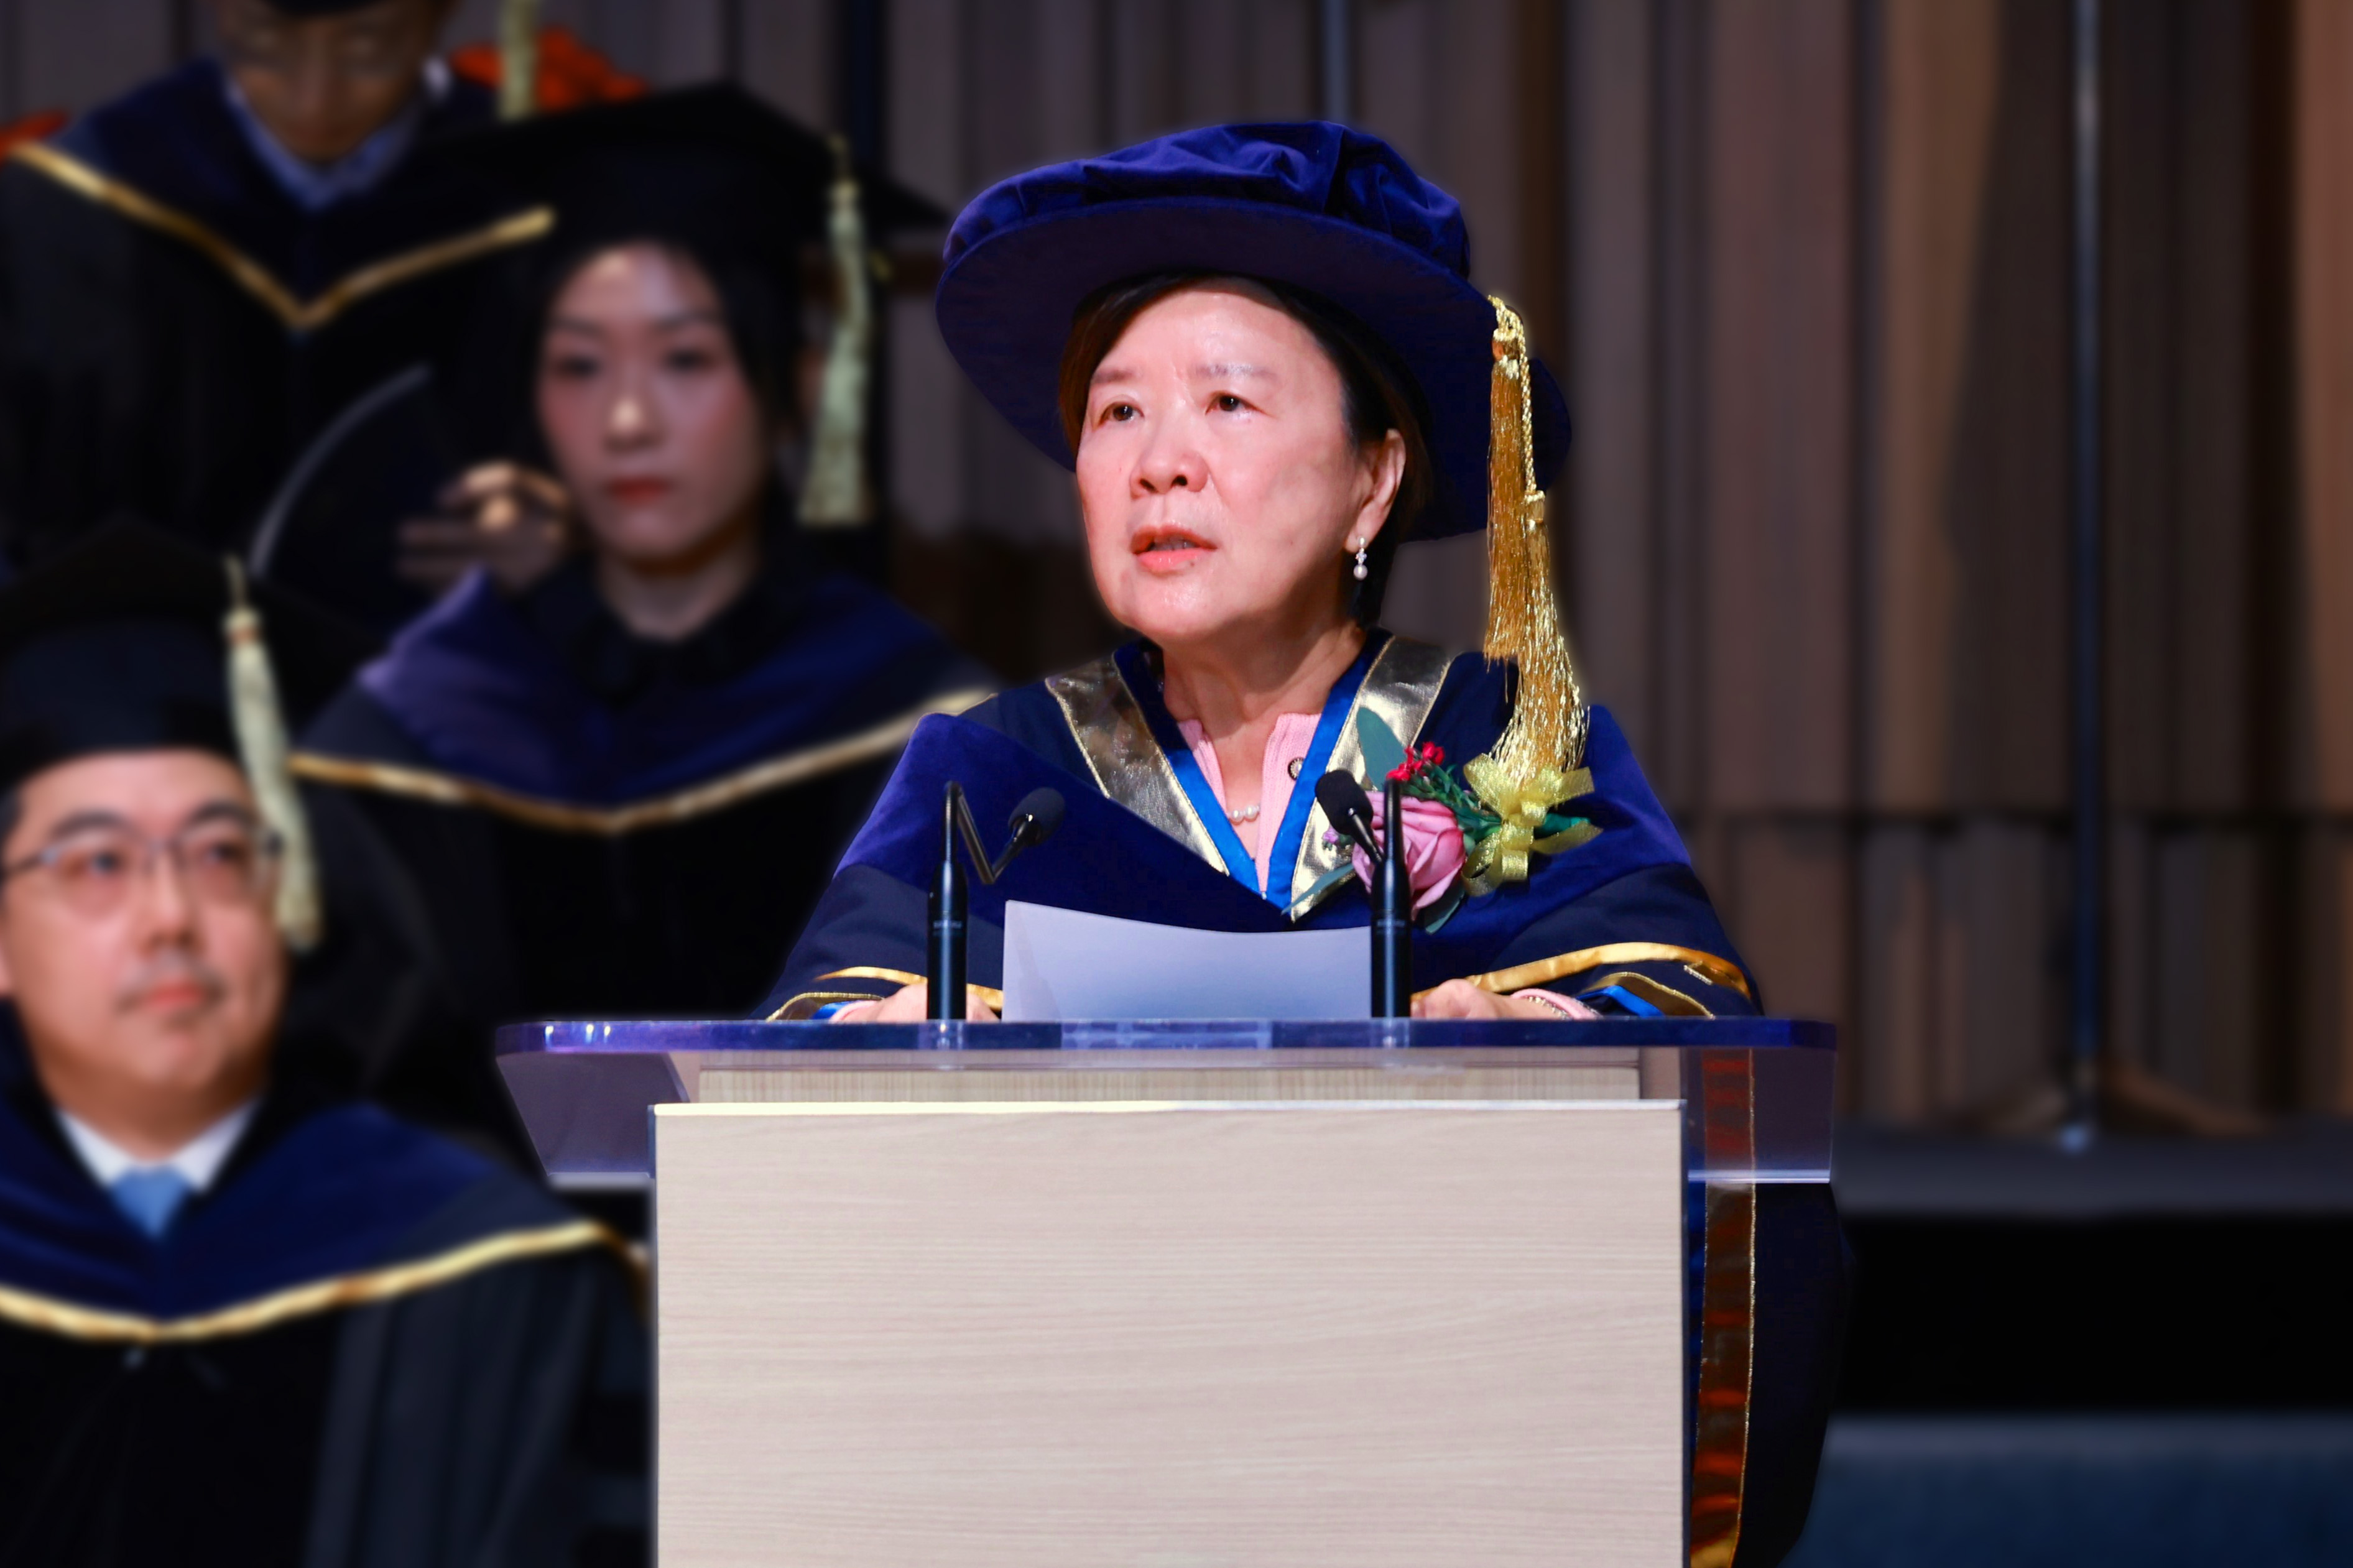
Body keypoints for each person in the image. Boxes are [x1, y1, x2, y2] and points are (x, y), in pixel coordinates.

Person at [759, 124, 1842, 1564]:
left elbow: (1687, 1015)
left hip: (1433, 1415)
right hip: (1071, 1427)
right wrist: (899, 1036)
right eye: (1117, 415)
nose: (1160, 466)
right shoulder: (991, 771)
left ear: (1371, 481)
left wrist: (1544, 1028)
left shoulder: (1496, 743)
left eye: (1225, 402)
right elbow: (803, 1038)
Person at [290, 88, 991, 1149]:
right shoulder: (409, 730)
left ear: (796, 384)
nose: (625, 420)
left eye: (685, 360)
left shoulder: (914, 723)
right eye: (578, 364)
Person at [0, 523, 647, 1567]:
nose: (169, 914)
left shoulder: (487, 1276)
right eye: (96, 863)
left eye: (218, 852)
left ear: (291, 892)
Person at [0, 0, 573, 629]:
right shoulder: (60, 217)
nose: (313, 96)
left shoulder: (547, 212)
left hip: (453, 694)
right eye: (265, 40)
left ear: (440, 15)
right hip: (125, 703)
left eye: (368, 45)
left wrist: (572, 548)